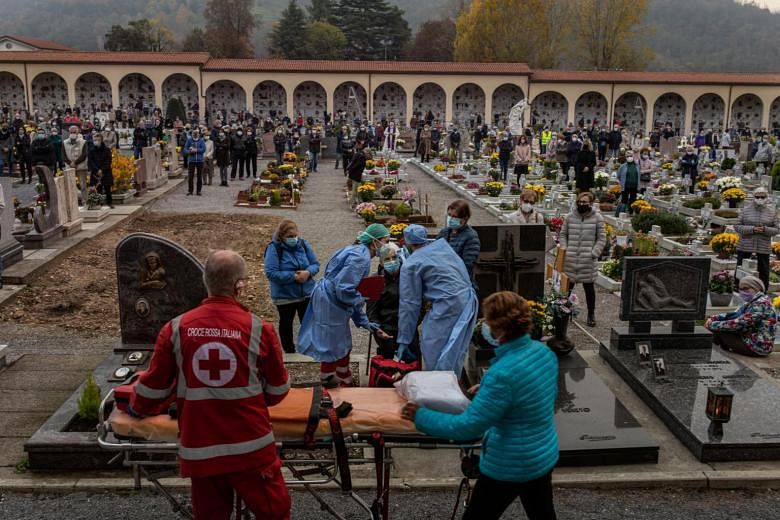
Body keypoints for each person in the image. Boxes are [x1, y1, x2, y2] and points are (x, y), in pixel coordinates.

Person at [129, 250, 291, 520]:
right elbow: (277, 392)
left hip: (202, 451)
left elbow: (153, 389)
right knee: (275, 513)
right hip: (251, 451)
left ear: (206, 281)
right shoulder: (260, 330)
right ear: (240, 286)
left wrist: (136, 406)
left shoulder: (176, 329)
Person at [401, 291, 559, 520]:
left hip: (509, 462)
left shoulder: (501, 375)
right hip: (542, 454)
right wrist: (488, 390)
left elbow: (467, 427)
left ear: (500, 330)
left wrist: (421, 416)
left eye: (488, 322)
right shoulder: (543, 353)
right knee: (543, 513)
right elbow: (535, 395)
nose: (485, 327)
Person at [297, 224, 392, 385]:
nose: (387, 245)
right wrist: (362, 300)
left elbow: (347, 290)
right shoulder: (361, 258)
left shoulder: (355, 250)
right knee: (332, 345)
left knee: (340, 343)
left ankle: (342, 376)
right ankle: (330, 382)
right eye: (386, 240)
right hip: (331, 302)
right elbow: (345, 289)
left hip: (329, 298)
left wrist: (368, 324)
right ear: (374, 241)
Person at [397, 224, 478, 373]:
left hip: (447, 306)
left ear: (407, 242)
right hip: (467, 299)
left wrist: (404, 339)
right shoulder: (443, 247)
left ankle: (441, 391)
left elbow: (409, 304)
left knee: (434, 349)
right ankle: (453, 384)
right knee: (455, 348)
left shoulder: (412, 264)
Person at [263, 220, 320, 354]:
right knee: (286, 324)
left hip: (306, 293)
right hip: (285, 296)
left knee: (308, 323)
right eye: (289, 237)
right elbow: (271, 273)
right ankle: (289, 352)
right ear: (281, 236)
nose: (293, 239)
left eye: (295, 236)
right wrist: (294, 276)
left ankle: (309, 349)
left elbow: (315, 264)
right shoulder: (274, 248)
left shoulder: (303, 244)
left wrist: (308, 273)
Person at [559, 192, 606, 327]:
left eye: (585, 202)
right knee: (566, 289)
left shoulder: (597, 218)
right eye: (580, 202)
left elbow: (602, 238)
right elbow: (563, 234)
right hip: (571, 258)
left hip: (587, 259)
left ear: (590, 203)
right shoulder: (569, 217)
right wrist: (565, 248)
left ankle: (591, 314)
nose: (582, 204)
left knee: (589, 288)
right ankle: (562, 313)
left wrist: (594, 253)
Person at [367, 243, 420, 359]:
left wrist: (413, 324)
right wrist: (377, 329)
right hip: (387, 328)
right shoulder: (375, 281)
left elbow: (419, 305)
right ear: (381, 262)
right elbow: (371, 312)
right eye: (387, 259)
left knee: (413, 360)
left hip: (408, 326)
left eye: (394, 257)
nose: (391, 261)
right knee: (388, 361)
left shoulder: (409, 278)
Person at [706, 275, 776, 357]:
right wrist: (715, 317)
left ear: (756, 288)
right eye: (741, 289)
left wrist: (712, 324)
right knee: (720, 327)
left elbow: (740, 324)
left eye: (746, 288)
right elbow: (734, 314)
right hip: (752, 340)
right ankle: (718, 352)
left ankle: (714, 354)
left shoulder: (760, 303)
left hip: (758, 346)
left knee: (719, 330)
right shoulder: (754, 300)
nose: (742, 292)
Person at [734, 187, 778, 291]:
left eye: (762, 197)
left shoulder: (771, 212)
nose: (760, 198)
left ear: (766, 197)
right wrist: (752, 229)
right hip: (745, 244)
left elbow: (777, 229)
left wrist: (765, 229)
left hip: (763, 246)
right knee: (741, 267)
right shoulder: (745, 210)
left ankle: (763, 290)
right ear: (754, 197)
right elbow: (737, 226)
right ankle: (737, 286)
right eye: (757, 196)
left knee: (763, 270)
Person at [436, 200, 481, 284]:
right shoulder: (444, 232)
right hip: (442, 279)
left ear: (464, 218)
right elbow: (434, 252)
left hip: (459, 282)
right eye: (449, 215)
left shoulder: (471, 237)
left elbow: (467, 265)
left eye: (454, 216)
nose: (450, 219)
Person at [62, 126, 89, 204]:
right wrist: (70, 163)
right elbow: (63, 155)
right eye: (71, 132)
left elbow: (84, 154)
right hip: (69, 167)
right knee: (71, 186)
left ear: (78, 132)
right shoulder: (64, 142)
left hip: (81, 167)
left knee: (83, 186)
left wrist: (75, 162)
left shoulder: (83, 142)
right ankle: (72, 202)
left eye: (74, 132)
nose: (72, 134)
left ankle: (85, 201)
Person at [87, 132, 114, 208]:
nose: (95, 141)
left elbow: (108, 161)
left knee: (107, 188)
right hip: (95, 172)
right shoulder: (91, 150)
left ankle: (109, 202)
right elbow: (90, 161)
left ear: (101, 140)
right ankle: (99, 203)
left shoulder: (106, 149)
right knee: (98, 189)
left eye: (97, 140)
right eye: (94, 140)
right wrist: (97, 170)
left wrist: (102, 170)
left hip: (105, 172)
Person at [616, 149, 640, 213]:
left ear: (633, 156)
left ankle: (631, 212)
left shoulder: (637, 165)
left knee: (633, 200)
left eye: (631, 156)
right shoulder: (623, 166)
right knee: (624, 200)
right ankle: (621, 213)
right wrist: (621, 183)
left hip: (634, 186)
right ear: (626, 157)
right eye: (628, 156)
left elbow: (638, 175)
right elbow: (618, 176)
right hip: (625, 186)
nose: (629, 157)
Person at [184, 129, 206, 196]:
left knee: (199, 176)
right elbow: (185, 149)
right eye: (194, 135)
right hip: (191, 160)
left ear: (198, 135)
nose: (195, 136)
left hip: (200, 161)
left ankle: (198, 191)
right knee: (190, 176)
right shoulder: (189, 140)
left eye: (196, 135)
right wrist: (190, 151)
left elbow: (203, 149)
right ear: (192, 135)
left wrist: (196, 150)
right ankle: (190, 191)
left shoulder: (201, 140)